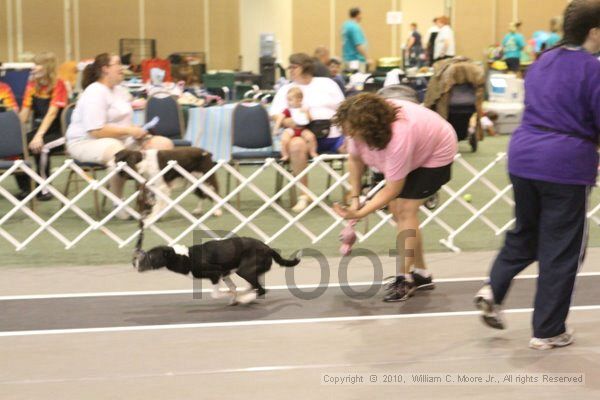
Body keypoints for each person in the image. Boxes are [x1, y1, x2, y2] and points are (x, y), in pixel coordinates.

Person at [474, 0, 600, 350]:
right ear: (594, 31)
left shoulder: (543, 60)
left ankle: (493, 288)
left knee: (525, 232)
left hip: (523, 156)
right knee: (562, 247)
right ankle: (548, 329)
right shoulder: (592, 69)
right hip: (564, 163)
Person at [332, 93, 458, 302]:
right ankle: (422, 274)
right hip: (414, 144)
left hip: (436, 149)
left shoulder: (400, 134)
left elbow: (393, 189)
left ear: (368, 126)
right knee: (396, 211)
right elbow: (354, 160)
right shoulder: (354, 128)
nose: (347, 133)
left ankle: (405, 278)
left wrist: (361, 212)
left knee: (405, 210)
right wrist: (355, 197)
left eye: (351, 129)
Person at [66, 53, 173, 218]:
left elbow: (123, 124)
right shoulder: (94, 92)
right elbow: (96, 130)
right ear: (105, 69)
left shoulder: (120, 91)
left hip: (120, 139)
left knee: (163, 145)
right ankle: (118, 202)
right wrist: (130, 131)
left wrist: (137, 132)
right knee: (119, 152)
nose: (122, 68)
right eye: (118, 64)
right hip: (85, 142)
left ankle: (150, 196)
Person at [270, 53, 345, 213]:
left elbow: (344, 108)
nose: (290, 70)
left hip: (333, 134)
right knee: (296, 146)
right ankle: (304, 195)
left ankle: (354, 192)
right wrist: (287, 122)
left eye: (294, 67)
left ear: (306, 67)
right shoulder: (286, 89)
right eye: (289, 67)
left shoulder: (328, 84)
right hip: (302, 134)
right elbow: (275, 113)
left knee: (356, 146)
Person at [14, 52, 68, 201]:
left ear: (46, 67)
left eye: (36, 65)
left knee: (42, 147)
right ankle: (26, 188)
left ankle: (44, 188)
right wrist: (11, 130)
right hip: (42, 130)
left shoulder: (59, 84)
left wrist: (38, 136)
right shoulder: (32, 86)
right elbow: (24, 114)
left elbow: (52, 113)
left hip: (60, 132)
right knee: (18, 147)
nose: (33, 68)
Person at [273, 87, 318, 161]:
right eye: (288, 100)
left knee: (311, 137)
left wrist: (306, 112)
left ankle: (312, 152)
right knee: (284, 140)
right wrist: (276, 128)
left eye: (290, 100)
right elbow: (280, 119)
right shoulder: (288, 110)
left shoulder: (304, 108)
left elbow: (310, 120)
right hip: (291, 130)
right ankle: (285, 154)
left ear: (299, 100)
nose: (288, 102)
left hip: (302, 129)